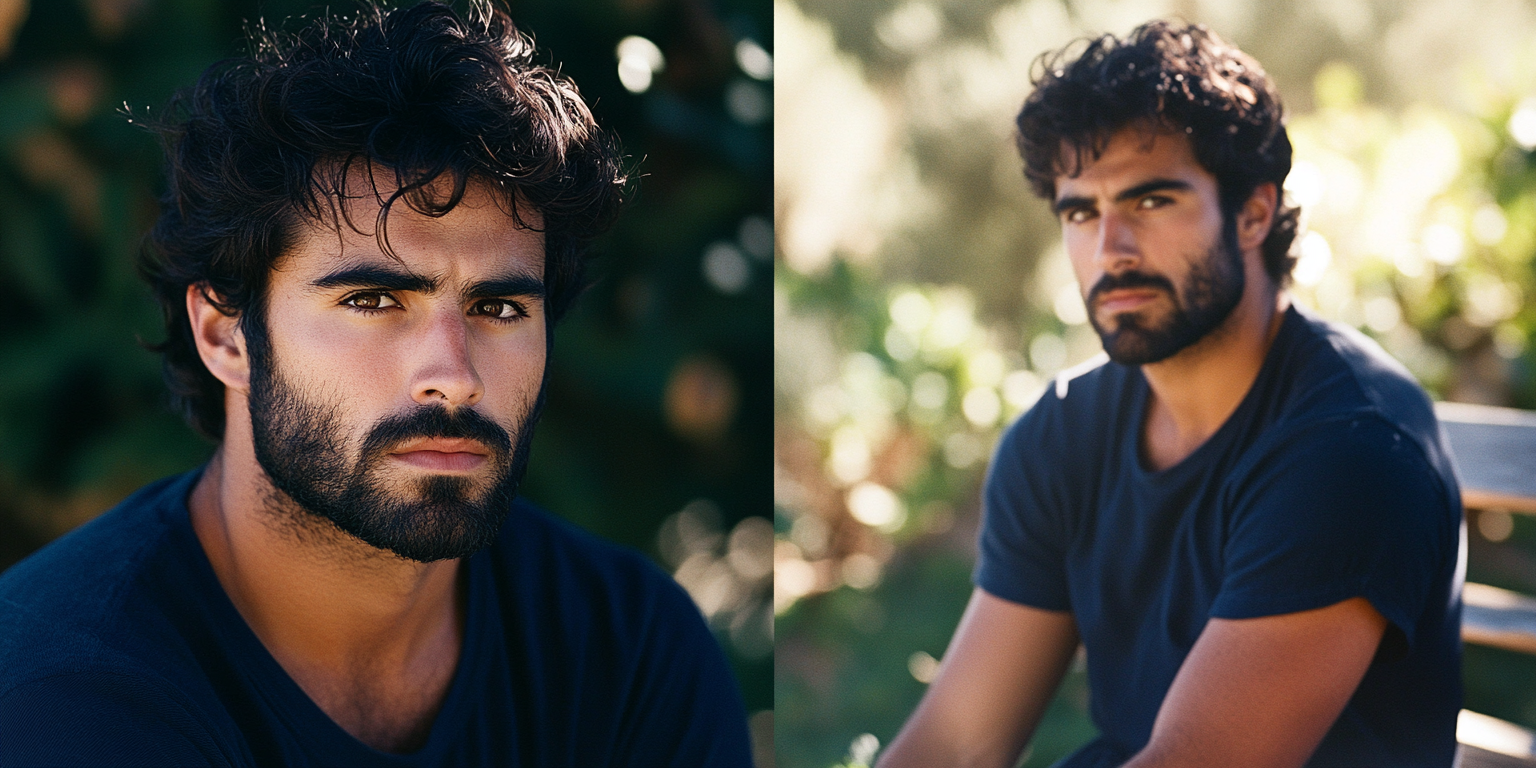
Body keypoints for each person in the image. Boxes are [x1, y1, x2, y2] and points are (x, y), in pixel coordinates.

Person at [0, 2, 752, 765]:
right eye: (373, 301)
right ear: (226, 335)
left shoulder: (629, 656)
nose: (454, 379)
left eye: (496, 307)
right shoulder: (68, 700)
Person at [879, 20, 1463, 768]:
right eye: (1080, 212)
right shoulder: (1063, 437)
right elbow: (958, 743)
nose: (1109, 249)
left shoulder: (1348, 450)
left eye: (1151, 202)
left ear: (1253, 213)